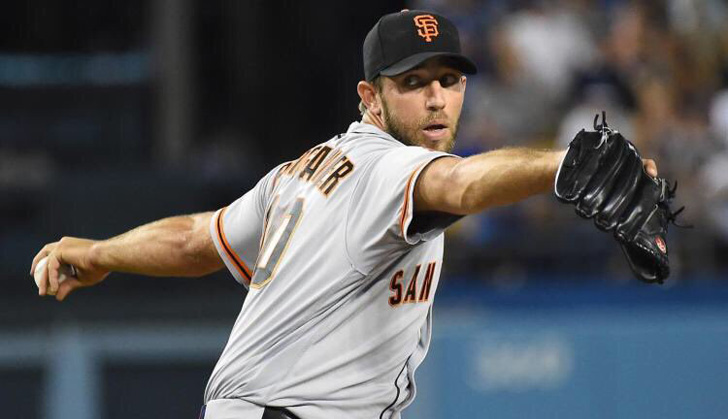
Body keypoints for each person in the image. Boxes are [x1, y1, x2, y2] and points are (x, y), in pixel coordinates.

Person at [30, 10, 658, 419]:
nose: (437, 99)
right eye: (413, 83)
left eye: (450, 79)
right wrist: (561, 164)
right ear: (371, 97)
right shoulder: (388, 169)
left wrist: (95, 253)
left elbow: (197, 239)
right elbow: (463, 183)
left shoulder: (298, 174)